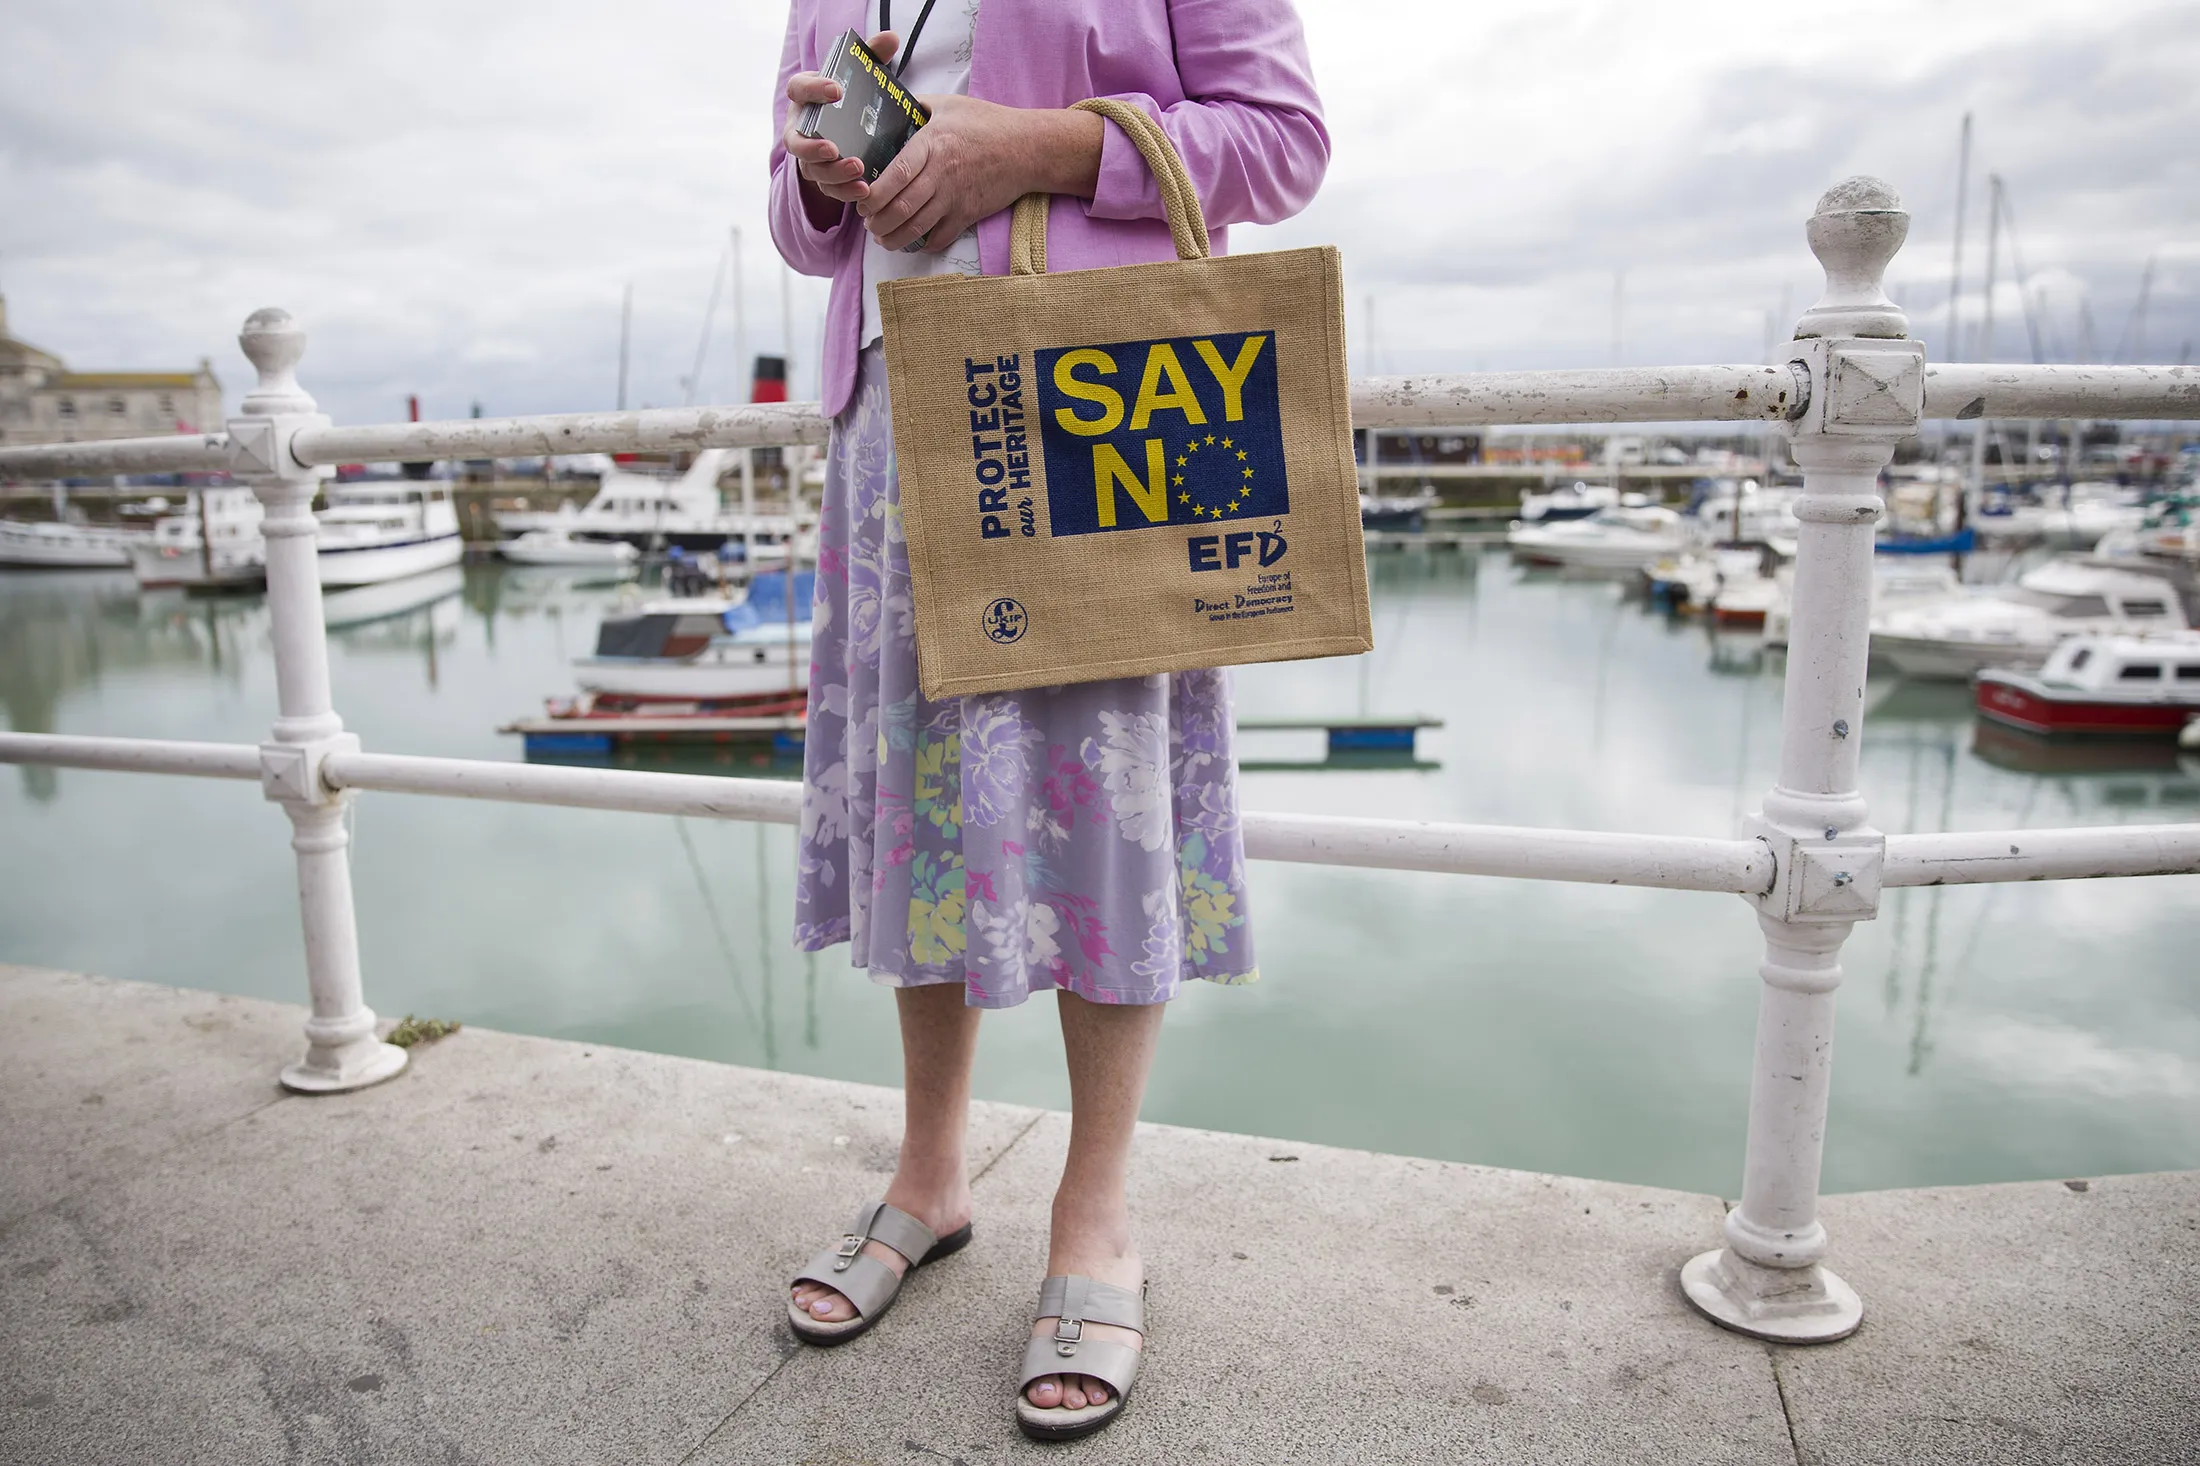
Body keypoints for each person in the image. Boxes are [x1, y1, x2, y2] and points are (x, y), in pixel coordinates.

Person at [768, 0, 1327, 1440]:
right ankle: (930, 1173)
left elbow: (1283, 144)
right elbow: (795, 227)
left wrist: (1037, 149)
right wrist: (822, 179)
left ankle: (1096, 1213)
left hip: (1092, 395)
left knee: (1107, 807)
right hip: (895, 411)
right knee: (920, 810)